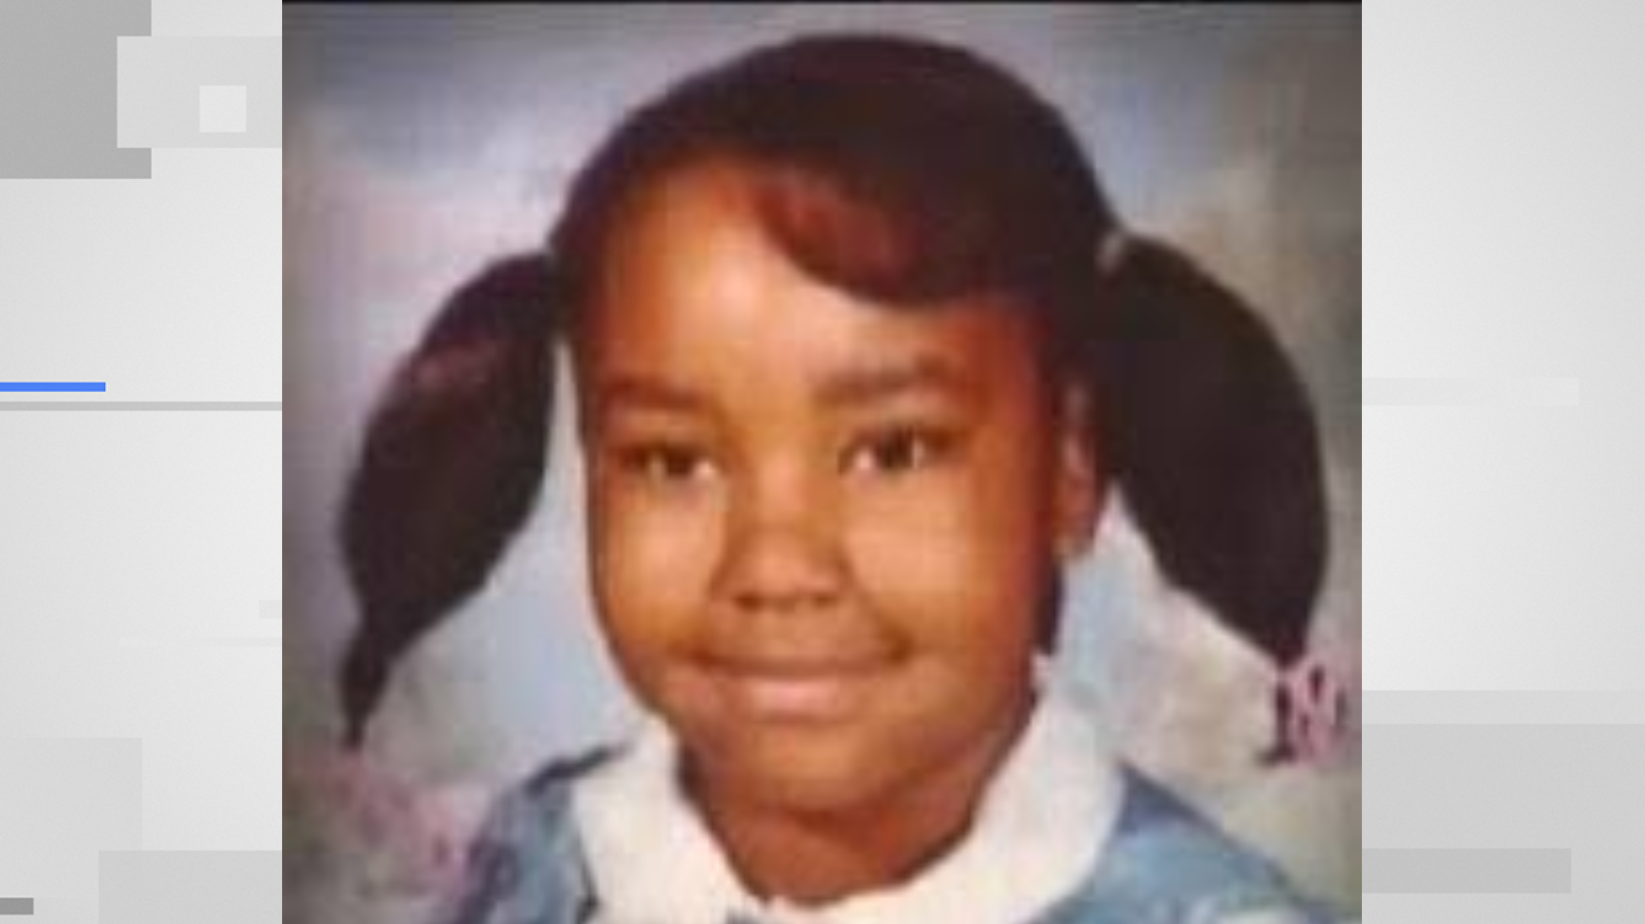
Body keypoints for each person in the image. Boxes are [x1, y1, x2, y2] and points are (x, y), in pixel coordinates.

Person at [337, 33, 1340, 923]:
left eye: (892, 452)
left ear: (1069, 467)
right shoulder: (531, 869)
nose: (774, 567)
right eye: (672, 461)